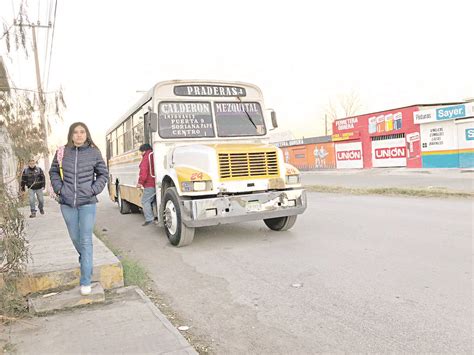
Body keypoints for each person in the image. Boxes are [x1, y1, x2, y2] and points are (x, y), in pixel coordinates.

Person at [49, 122, 108, 296]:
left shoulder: (94, 152)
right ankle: (85, 260)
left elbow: (103, 174)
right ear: (71, 135)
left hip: (87, 202)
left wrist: (93, 189)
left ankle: (86, 280)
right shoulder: (62, 152)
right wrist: (60, 189)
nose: (79, 135)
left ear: (87, 134)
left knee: (86, 239)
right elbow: (53, 172)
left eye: (82, 132)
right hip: (67, 202)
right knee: (75, 237)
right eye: (76, 132)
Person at [137, 143, 156, 226]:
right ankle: (156, 216)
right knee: (154, 200)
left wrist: (140, 183)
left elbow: (143, 172)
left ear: (144, 150)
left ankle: (149, 219)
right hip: (156, 182)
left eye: (141, 152)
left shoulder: (146, 158)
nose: (141, 154)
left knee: (145, 201)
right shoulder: (154, 155)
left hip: (149, 183)